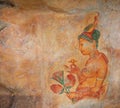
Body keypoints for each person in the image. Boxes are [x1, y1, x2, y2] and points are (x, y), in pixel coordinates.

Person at [67, 16, 109, 102]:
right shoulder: (91, 59)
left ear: (93, 43)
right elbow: (84, 79)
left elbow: (96, 89)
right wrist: (77, 71)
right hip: (81, 96)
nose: (80, 48)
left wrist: (77, 94)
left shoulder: (100, 62)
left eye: (82, 44)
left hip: (89, 99)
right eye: (79, 45)